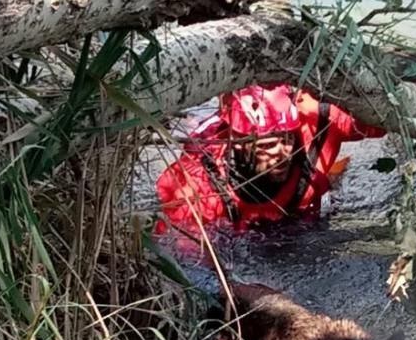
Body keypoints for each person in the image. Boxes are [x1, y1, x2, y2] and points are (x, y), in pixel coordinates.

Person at [154, 83, 386, 235]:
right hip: (238, 227)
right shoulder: (195, 182)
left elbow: (389, 117)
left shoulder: (318, 121)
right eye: (266, 145)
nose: (281, 154)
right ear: (238, 144)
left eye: (286, 139)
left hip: (300, 212)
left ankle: (331, 178)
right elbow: (191, 266)